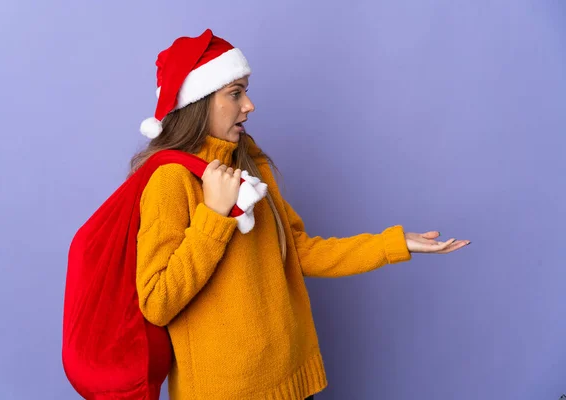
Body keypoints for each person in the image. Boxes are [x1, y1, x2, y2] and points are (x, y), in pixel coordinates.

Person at [132, 28, 469, 400]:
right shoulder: (171, 180)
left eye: (245, 91)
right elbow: (157, 301)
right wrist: (214, 214)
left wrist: (393, 244)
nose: (249, 105)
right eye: (235, 93)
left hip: (293, 381)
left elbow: (299, 251)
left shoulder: (249, 163)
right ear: (199, 103)